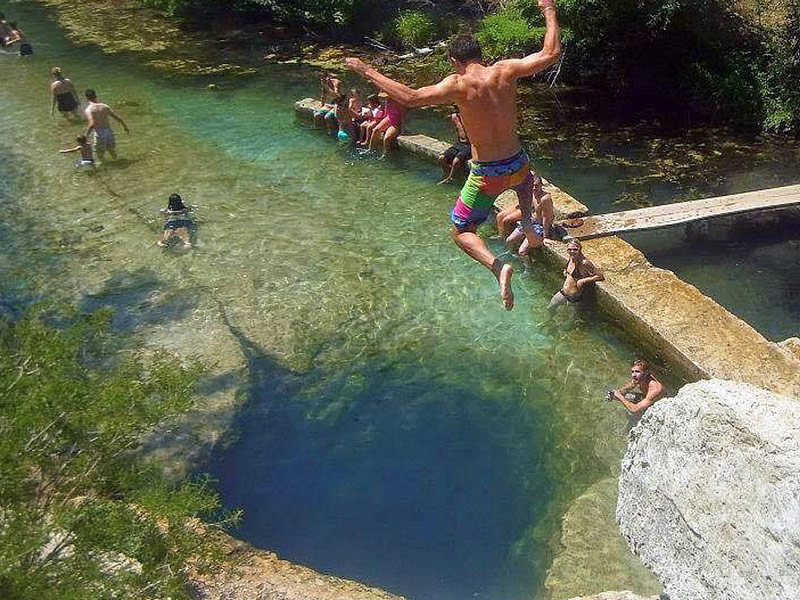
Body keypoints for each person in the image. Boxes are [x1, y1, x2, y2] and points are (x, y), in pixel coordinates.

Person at [346, 0, 561, 309]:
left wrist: (366, 70)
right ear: (480, 55)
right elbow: (550, 53)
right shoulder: (506, 69)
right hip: (519, 163)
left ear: (454, 61)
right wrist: (549, 10)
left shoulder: (458, 84)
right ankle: (528, 223)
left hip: (489, 173)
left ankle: (499, 266)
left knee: (461, 231)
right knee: (523, 187)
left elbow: (412, 97)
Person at [498, 174, 555, 254]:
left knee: (522, 251)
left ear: (541, 185)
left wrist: (545, 236)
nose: (534, 188)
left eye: (536, 185)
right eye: (532, 186)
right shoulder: (532, 194)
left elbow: (547, 218)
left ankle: (527, 266)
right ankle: (512, 256)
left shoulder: (545, 199)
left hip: (539, 227)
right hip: (529, 222)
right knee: (509, 240)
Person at [547, 239, 604, 308]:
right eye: (569, 249)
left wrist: (583, 280)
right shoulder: (571, 258)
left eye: (575, 249)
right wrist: (565, 271)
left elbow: (600, 276)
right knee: (550, 307)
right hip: (563, 292)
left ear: (580, 249)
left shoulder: (584, 263)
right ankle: (550, 319)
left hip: (574, 298)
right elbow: (568, 270)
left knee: (572, 318)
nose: (572, 251)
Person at [84, 88, 130, 162]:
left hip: (99, 133)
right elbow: (116, 117)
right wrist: (124, 126)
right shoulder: (104, 106)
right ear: (96, 96)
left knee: (100, 153)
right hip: (109, 131)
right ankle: (117, 161)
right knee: (111, 149)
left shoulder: (89, 109)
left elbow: (92, 123)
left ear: (87, 98)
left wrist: (85, 136)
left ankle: (105, 166)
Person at [439, 105, 471, 185]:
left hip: (470, 145)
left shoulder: (469, 117)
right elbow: (457, 129)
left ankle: (450, 177)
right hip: (459, 143)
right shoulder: (454, 117)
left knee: (456, 161)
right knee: (442, 158)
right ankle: (447, 173)